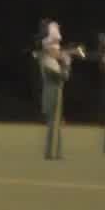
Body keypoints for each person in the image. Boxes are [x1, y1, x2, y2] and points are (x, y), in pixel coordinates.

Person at [35, 21, 69, 160]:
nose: (58, 51)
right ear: (49, 49)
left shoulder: (50, 60)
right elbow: (62, 76)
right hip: (52, 91)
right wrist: (66, 64)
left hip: (54, 91)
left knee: (55, 123)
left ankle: (54, 151)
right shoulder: (48, 61)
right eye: (55, 50)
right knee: (53, 123)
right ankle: (52, 152)